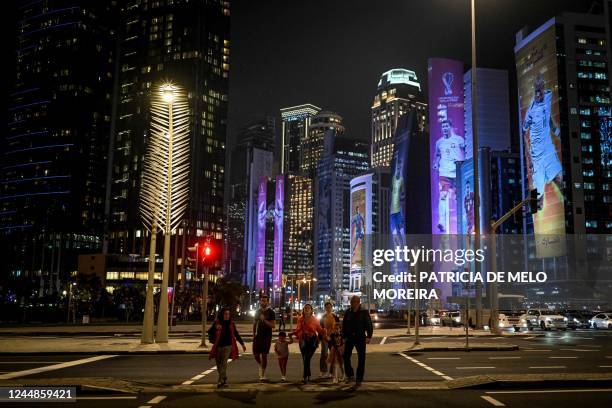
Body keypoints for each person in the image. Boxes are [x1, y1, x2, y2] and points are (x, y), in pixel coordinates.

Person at [521, 73, 563, 208]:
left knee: (560, 181)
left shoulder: (548, 97)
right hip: (537, 158)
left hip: (549, 150)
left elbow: (549, 121)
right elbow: (523, 133)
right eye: (537, 90)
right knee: (537, 203)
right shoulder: (530, 113)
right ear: (535, 91)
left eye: (541, 88)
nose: (540, 93)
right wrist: (529, 157)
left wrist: (559, 133)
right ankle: (533, 219)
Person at [433, 117, 465, 232]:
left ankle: (463, 219)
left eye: (447, 126)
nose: (445, 128)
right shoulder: (439, 142)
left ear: (450, 127)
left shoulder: (459, 140)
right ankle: (441, 221)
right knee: (442, 196)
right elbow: (436, 155)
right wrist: (435, 164)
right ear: (441, 129)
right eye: (443, 126)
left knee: (458, 198)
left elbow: (466, 150)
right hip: (444, 173)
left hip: (457, 173)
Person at [208, 308, 246, 388]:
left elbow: (236, 333)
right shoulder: (217, 322)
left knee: (224, 364)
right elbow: (210, 332)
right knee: (219, 365)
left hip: (228, 346)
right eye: (225, 314)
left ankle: (220, 381)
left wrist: (242, 344)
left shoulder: (231, 323)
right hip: (218, 346)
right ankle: (224, 378)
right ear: (222, 314)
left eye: (228, 314)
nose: (227, 316)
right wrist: (216, 328)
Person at [291, 303, 327, 384]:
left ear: (311, 310)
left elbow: (319, 330)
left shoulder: (315, 320)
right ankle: (307, 376)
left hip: (312, 341)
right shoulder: (300, 319)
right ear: (303, 310)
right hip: (303, 341)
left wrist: (324, 331)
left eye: (308, 308)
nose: (307, 309)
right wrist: (293, 333)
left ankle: (305, 376)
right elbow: (298, 329)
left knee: (307, 358)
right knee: (305, 358)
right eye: (305, 308)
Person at [342, 296, 373, 387]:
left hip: (360, 338)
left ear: (359, 302)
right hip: (349, 338)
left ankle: (359, 377)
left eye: (355, 301)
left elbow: (368, 324)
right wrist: (343, 336)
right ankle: (350, 374)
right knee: (346, 356)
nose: (353, 303)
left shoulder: (364, 312)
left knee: (361, 358)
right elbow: (344, 325)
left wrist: (369, 336)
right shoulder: (348, 312)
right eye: (352, 302)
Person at [253, 293, 275, 382]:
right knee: (256, 354)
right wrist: (253, 334)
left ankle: (263, 374)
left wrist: (264, 320)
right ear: (260, 301)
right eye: (262, 300)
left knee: (264, 355)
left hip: (267, 336)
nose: (263, 302)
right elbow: (254, 323)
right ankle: (261, 365)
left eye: (265, 301)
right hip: (258, 336)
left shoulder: (271, 312)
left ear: (268, 302)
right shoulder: (257, 312)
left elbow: (273, 325)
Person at [319, 302, 338, 378]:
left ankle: (331, 372)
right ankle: (323, 371)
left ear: (332, 308)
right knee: (324, 354)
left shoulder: (335, 316)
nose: (328, 308)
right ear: (325, 308)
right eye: (327, 307)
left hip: (333, 338)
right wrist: (321, 337)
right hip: (325, 337)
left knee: (332, 354)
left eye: (330, 307)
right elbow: (320, 328)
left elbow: (337, 327)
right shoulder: (323, 317)